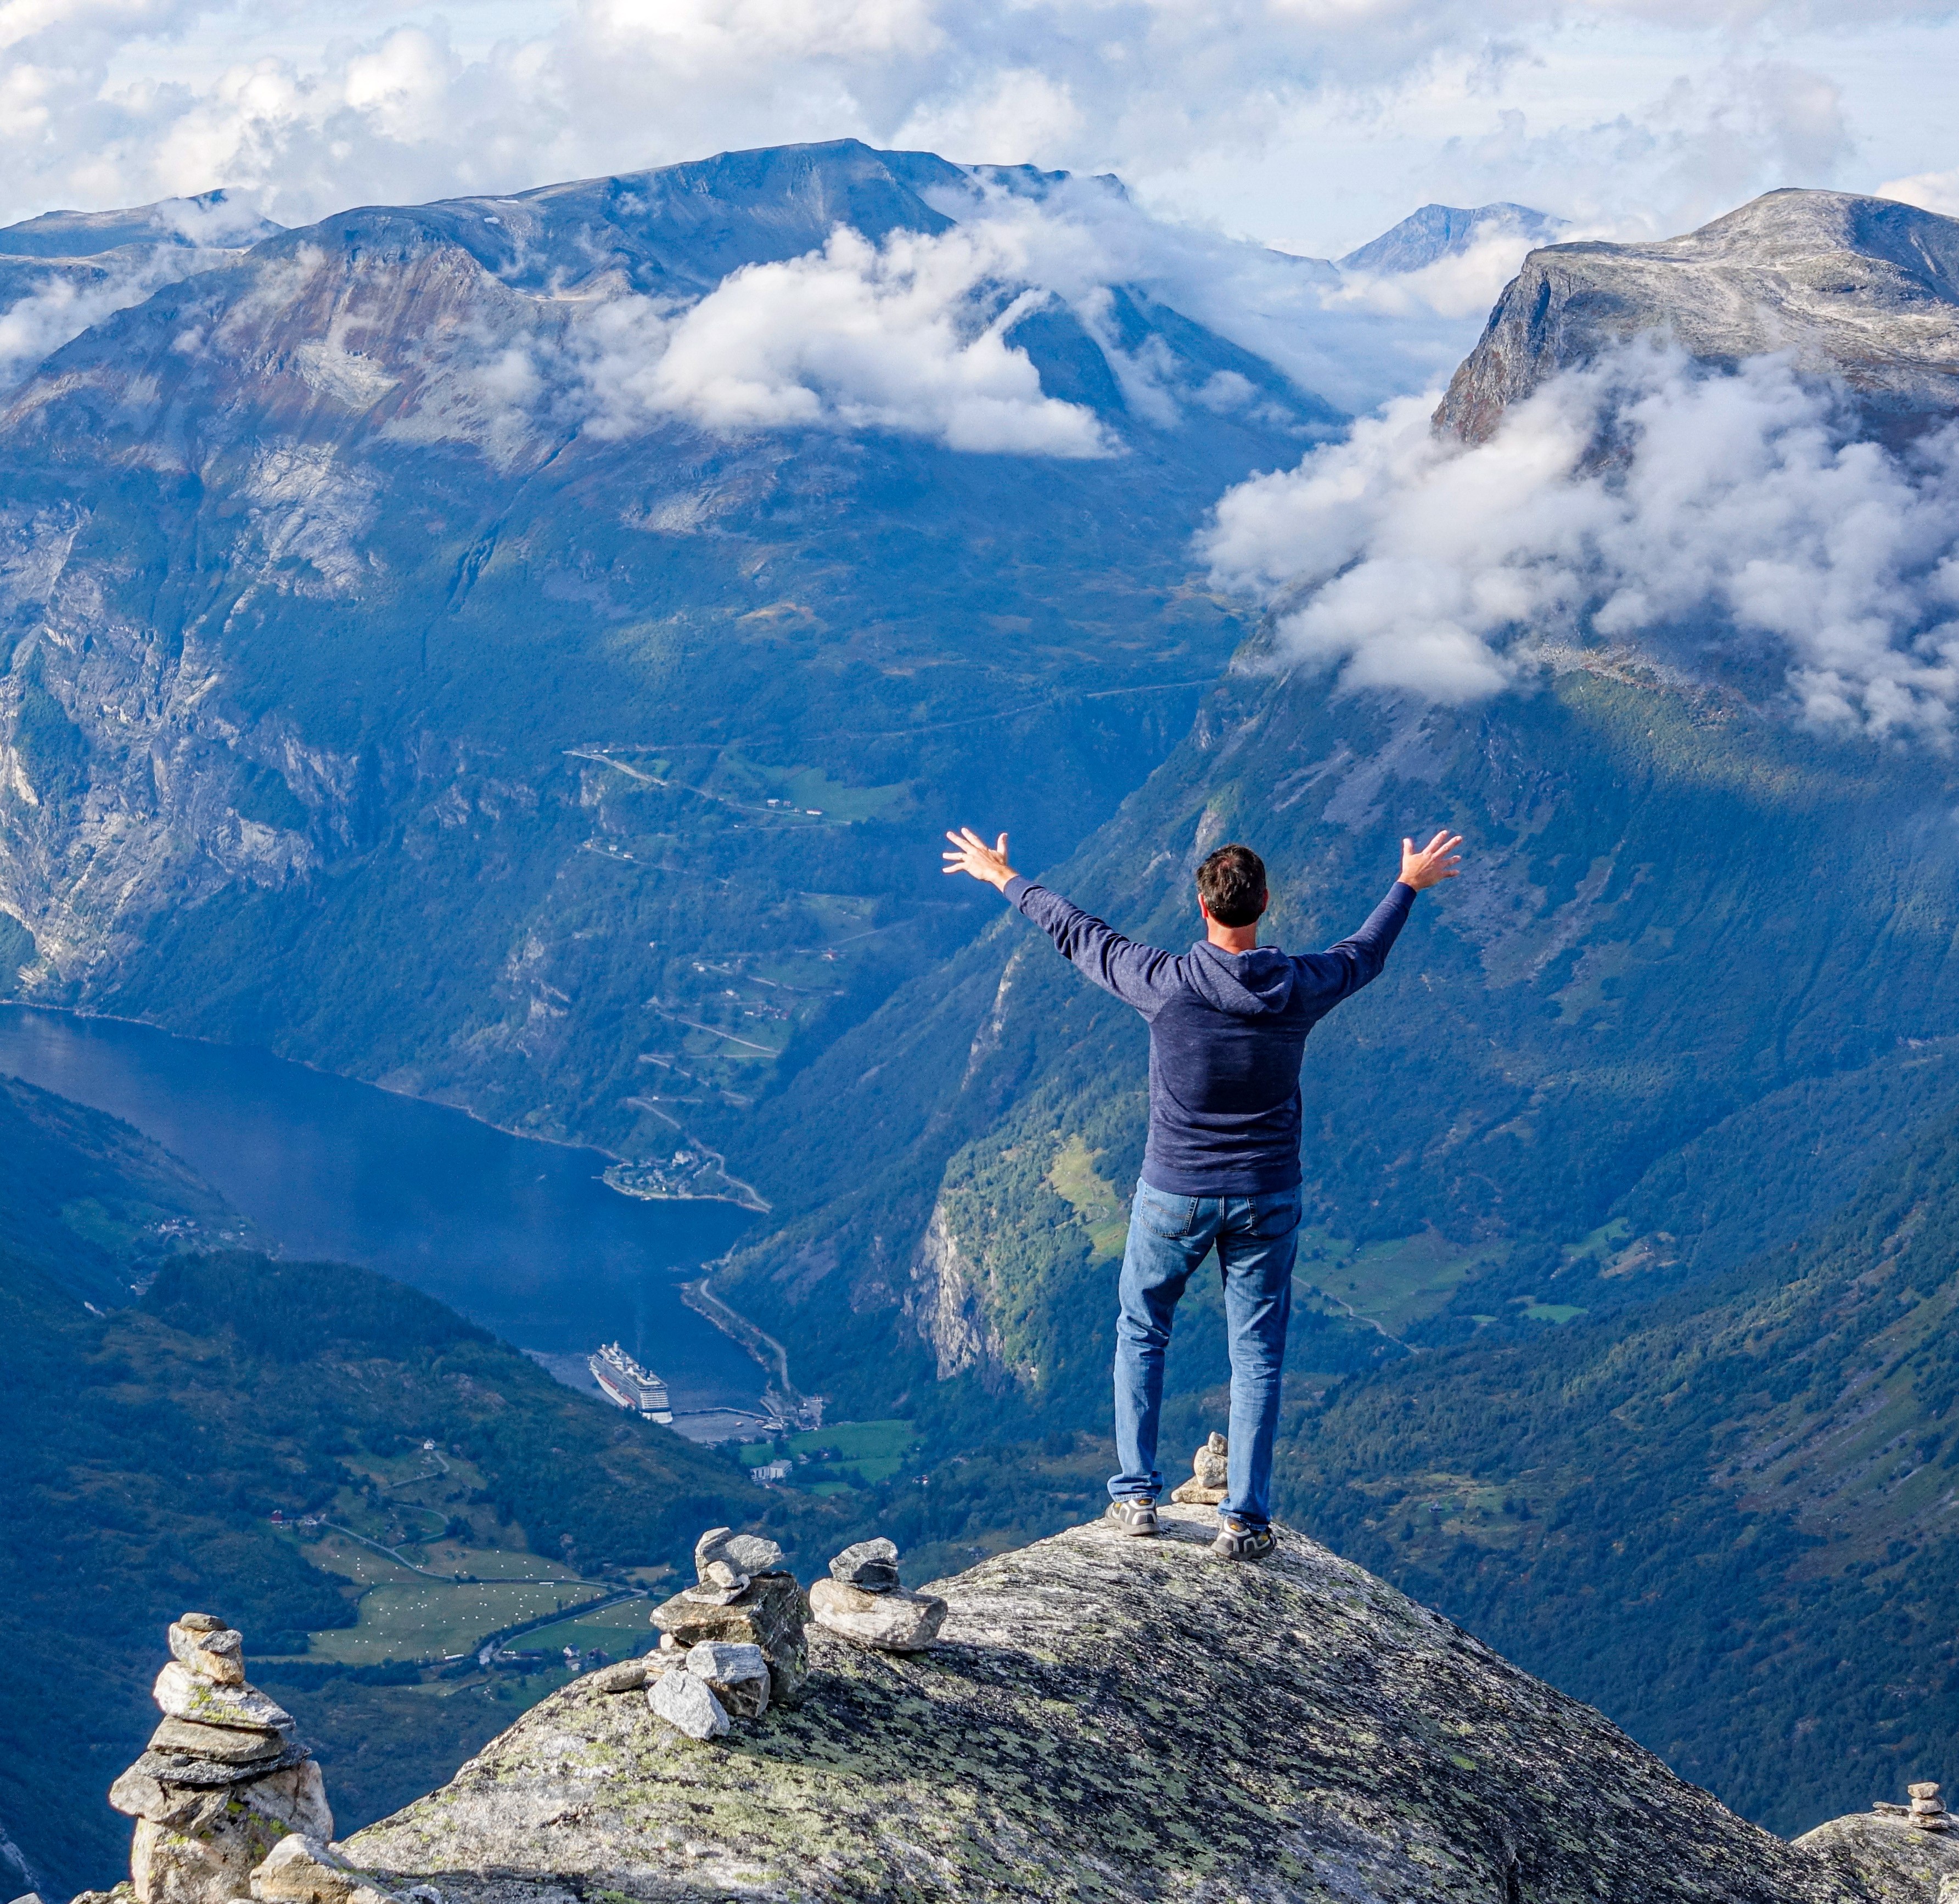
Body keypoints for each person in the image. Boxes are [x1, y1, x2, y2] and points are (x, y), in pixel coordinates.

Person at [941, 825, 1463, 1561]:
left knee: (1142, 1330)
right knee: (1255, 1356)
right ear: (1264, 904)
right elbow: (1363, 954)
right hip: (1266, 1193)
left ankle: (1135, 1497)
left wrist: (1002, 875)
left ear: (1200, 904)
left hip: (1173, 1192)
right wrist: (1406, 883)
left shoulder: (1163, 982)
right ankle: (1244, 1520)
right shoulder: (1298, 988)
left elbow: (1074, 929)